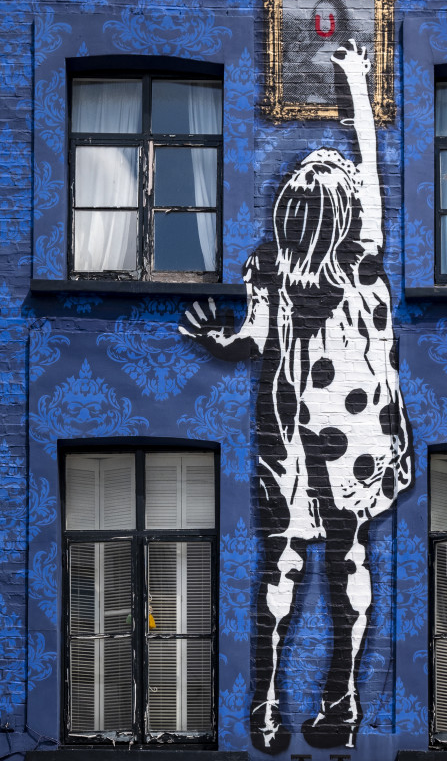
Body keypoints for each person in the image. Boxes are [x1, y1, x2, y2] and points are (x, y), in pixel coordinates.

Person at [181, 40, 413, 754]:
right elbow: (369, 167)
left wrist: (216, 340)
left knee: (281, 560)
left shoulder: (270, 267)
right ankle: (342, 701)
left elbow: (250, 341)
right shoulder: (362, 260)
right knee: (350, 557)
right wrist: (356, 83)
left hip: (288, 433)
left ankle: (264, 706)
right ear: (342, 214)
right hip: (355, 435)